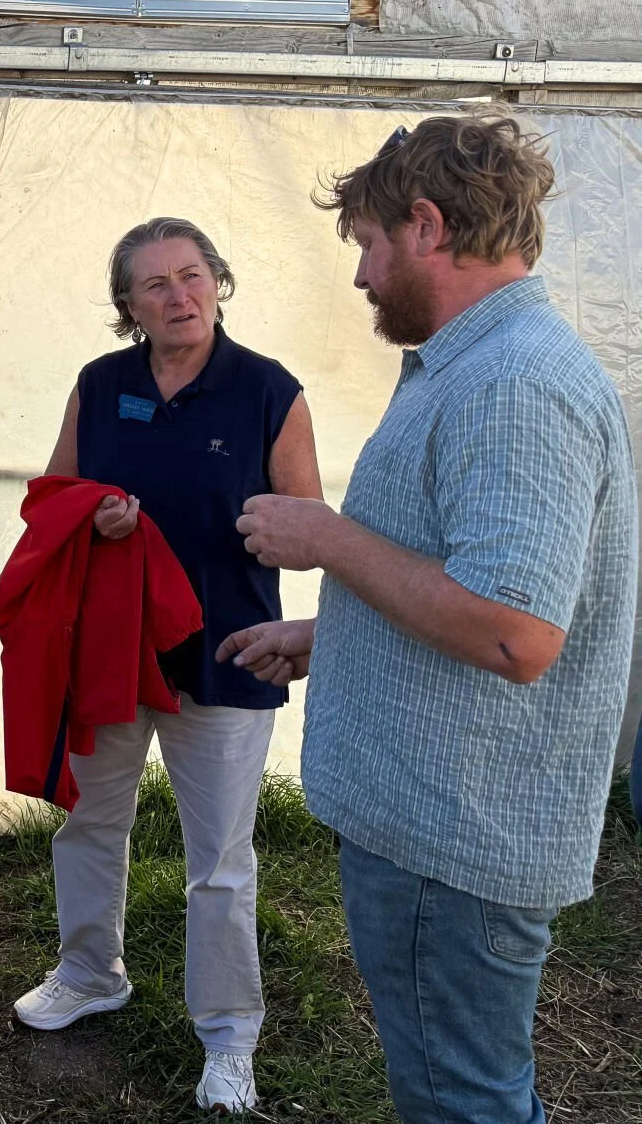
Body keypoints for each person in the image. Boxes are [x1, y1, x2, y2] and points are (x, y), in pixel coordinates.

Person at [220, 114, 638, 1124]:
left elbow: (512, 631)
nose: (361, 277)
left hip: (451, 841)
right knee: (466, 1090)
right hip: (439, 826)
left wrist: (322, 536)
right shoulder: (476, 368)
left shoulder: (512, 386)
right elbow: (484, 586)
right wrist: (333, 636)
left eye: (365, 244)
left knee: (463, 1103)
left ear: (424, 225)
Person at [12, 217, 322, 1114]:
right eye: (154, 285)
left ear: (218, 283)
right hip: (112, 647)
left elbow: (306, 528)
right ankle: (88, 972)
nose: (177, 296)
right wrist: (98, 512)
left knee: (220, 857)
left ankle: (229, 1034)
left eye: (191, 276)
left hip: (228, 651)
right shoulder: (102, 385)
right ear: (128, 307)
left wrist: (264, 530)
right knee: (89, 822)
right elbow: (52, 495)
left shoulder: (267, 391)